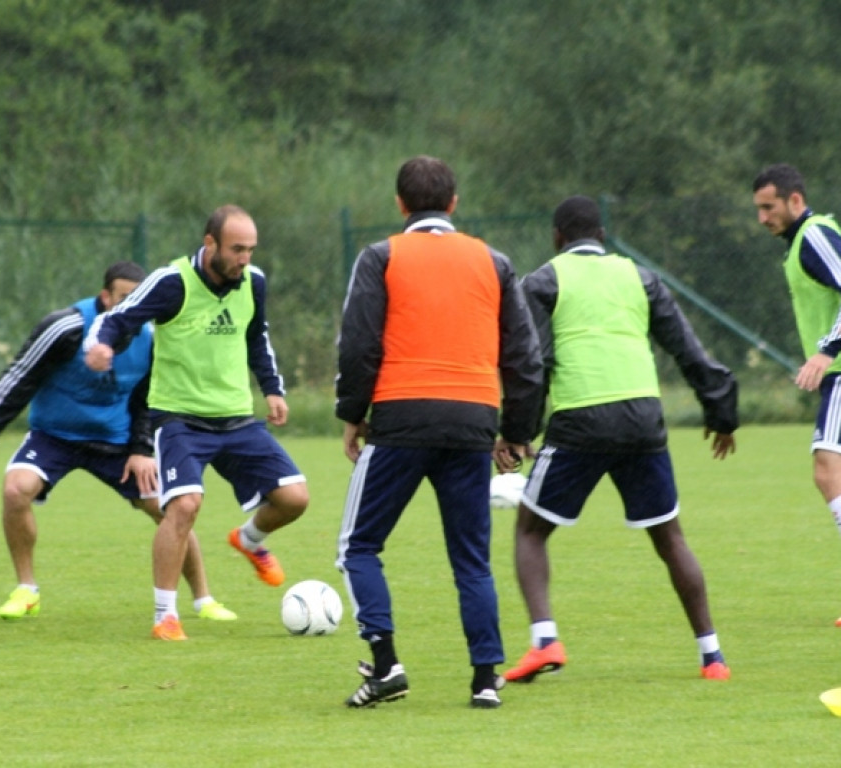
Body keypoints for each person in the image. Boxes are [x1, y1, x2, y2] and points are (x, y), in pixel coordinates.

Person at [334, 155, 545, 709]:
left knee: (359, 545)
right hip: (473, 420)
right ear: (453, 203)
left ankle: (386, 665)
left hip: (401, 420)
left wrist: (352, 413)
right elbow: (525, 358)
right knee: (471, 559)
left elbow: (358, 345)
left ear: (400, 204)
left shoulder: (381, 256)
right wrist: (516, 431)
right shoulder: (493, 262)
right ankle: (485, 679)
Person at [503, 195, 738, 685]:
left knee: (530, 530)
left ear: (557, 236)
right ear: (603, 236)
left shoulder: (543, 281)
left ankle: (545, 642)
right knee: (669, 538)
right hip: (643, 419)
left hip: (581, 419)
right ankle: (712, 656)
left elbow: (532, 363)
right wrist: (721, 411)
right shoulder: (641, 277)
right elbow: (686, 347)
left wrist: (518, 432)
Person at [0, 261, 237, 627]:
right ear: (105, 296)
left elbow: (152, 398)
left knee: (172, 508)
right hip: (54, 436)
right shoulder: (67, 328)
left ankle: (204, 599)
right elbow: (22, 374)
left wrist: (141, 450)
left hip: (116, 442)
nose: (130, 306)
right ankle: (26, 590)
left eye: (137, 298)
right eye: (123, 297)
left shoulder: (152, 339)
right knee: (15, 490)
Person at [83, 205, 309, 642]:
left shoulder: (254, 282)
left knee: (295, 498)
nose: (245, 258)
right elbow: (117, 318)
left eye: (251, 249)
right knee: (184, 506)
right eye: (237, 249)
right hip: (180, 418)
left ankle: (249, 540)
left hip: (236, 417)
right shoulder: (173, 282)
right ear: (210, 244)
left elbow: (256, 336)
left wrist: (273, 388)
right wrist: (100, 346)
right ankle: (165, 615)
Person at [753, 164, 841, 626]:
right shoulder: (799, 245)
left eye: (769, 207)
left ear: (795, 200)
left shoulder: (814, 236)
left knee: (827, 471)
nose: (762, 218)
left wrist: (827, 351)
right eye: (758, 209)